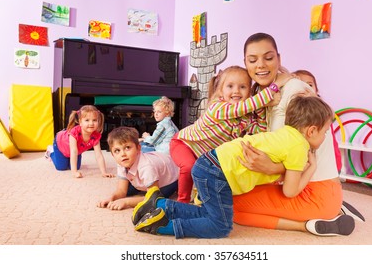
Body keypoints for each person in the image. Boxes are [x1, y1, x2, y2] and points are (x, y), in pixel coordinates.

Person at [131, 95, 336, 239]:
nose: (325, 136)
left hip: (209, 162)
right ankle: (162, 226)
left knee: (209, 213)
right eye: (325, 131)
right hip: (217, 173)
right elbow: (290, 191)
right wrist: (311, 168)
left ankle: (160, 204)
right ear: (311, 130)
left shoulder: (284, 134)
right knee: (220, 226)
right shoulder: (300, 147)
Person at [232, 32, 364, 237]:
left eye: (268, 58)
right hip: (300, 184)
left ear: (278, 59)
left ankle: (312, 223)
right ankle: (334, 209)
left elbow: (306, 154)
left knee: (231, 206)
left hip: (314, 190)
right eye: (252, 60)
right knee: (231, 200)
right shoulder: (264, 95)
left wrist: (271, 167)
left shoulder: (295, 91)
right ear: (245, 63)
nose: (260, 65)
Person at [170, 65, 292, 203]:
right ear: (221, 91)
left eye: (243, 87)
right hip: (184, 143)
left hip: (204, 156)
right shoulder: (217, 107)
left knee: (208, 174)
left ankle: (199, 198)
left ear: (249, 92)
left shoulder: (245, 117)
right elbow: (243, 107)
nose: (236, 91)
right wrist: (275, 86)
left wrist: (261, 109)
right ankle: (182, 202)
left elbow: (261, 131)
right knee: (188, 165)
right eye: (230, 86)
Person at [97, 126, 178, 211]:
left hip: (172, 178)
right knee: (129, 190)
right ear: (112, 154)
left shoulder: (146, 166)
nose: (123, 154)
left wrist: (126, 202)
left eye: (127, 148)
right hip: (149, 167)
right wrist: (112, 198)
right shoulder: (122, 161)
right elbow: (121, 190)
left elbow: (153, 197)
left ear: (138, 148)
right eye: (117, 150)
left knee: (157, 199)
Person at [45, 105, 113, 179]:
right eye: (87, 120)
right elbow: (73, 151)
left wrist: (104, 172)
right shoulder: (74, 132)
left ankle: (67, 160)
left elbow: (98, 155)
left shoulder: (96, 136)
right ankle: (50, 152)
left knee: (76, 166)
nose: (91, 123)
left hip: (77, 150)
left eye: (94, 120)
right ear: (80, 122)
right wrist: (74, 172)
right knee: (61, 167)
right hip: (60, 144)